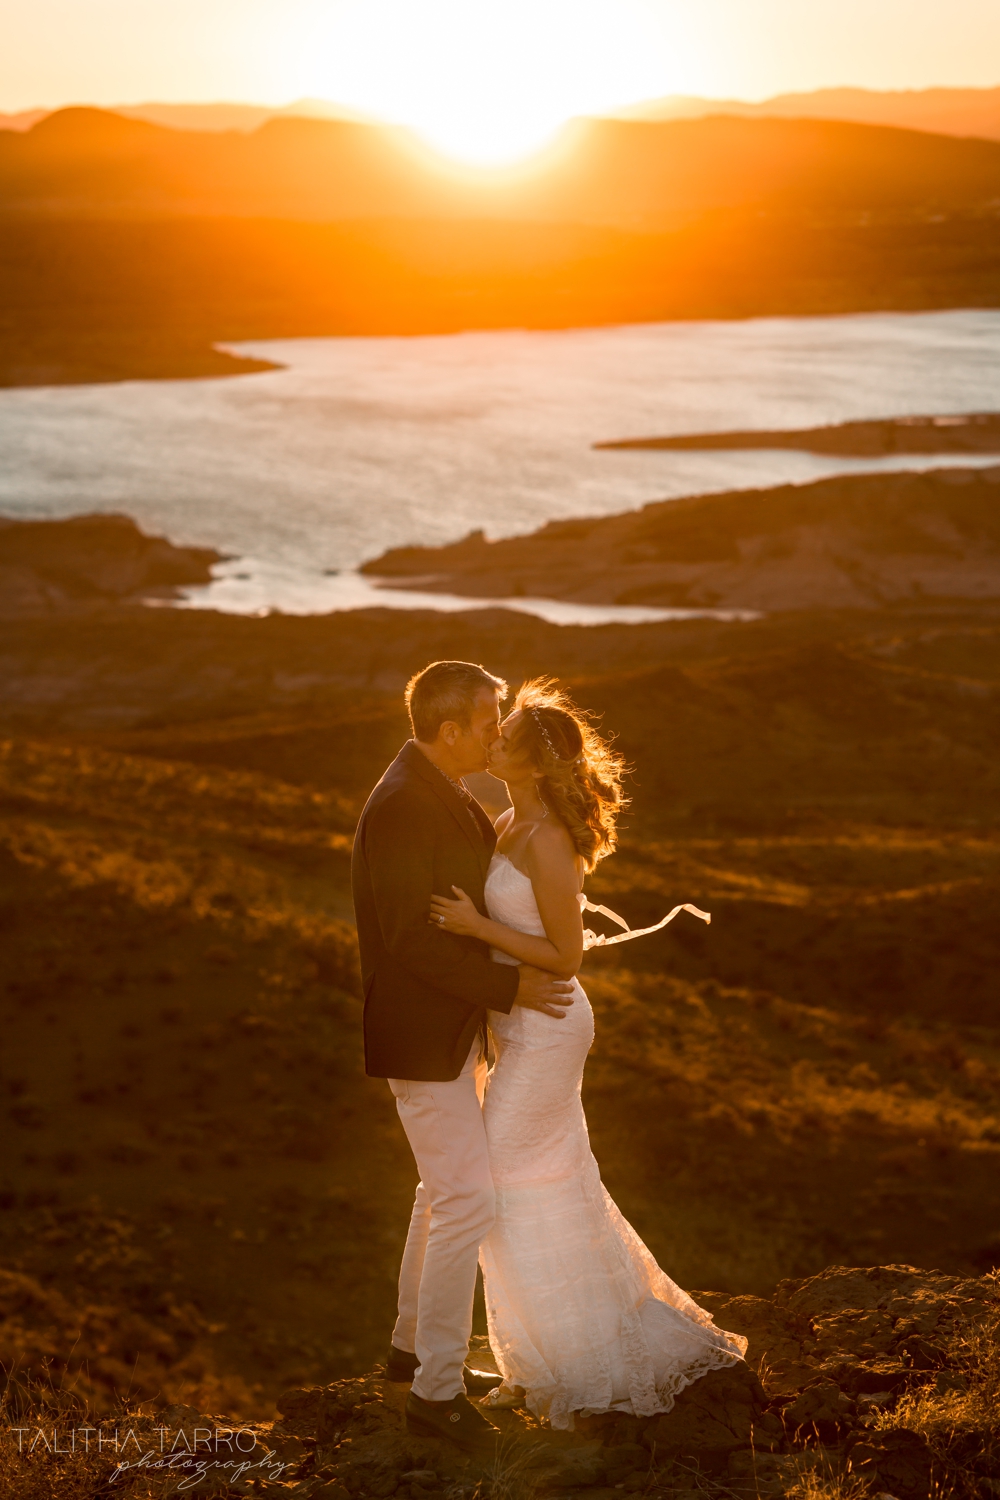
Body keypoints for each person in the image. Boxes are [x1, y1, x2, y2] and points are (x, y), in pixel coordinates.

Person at [430, 678, 748, 1430]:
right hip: (516, 1021)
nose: (492, 740)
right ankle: (540, 1359)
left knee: (505, 1183)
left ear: (535, 762)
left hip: (550, 1024)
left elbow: (567, 956)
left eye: (505, 737)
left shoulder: (548, 839)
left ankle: (578, 1362)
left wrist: (477, 929)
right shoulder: (508, 820)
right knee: (537, 1183)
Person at [351, 660, 574, 1453]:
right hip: (420, 1036)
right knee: (467, 1203)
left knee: (439, 1194)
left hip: (450, 1030)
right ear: (449, 731)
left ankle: (411, 1350)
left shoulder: (441, 787)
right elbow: (410, 938)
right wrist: (511, 987)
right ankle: (435, 1396)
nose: (497, 733)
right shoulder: (405, 804)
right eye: (486, 723)